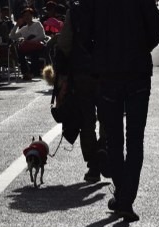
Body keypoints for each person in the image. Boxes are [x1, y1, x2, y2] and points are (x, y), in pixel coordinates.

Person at [84, 0, 159, 222]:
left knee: (114, 140)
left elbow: (84, 35)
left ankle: (122, 194)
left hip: (108, 74)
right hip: (137, 73)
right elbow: (156, 31)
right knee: (135, 139)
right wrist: (140, 48)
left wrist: (101, 55)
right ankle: (126, 198)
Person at [56, 0, 108, 184]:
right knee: (109, 115)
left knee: (87, 120)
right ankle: (106, 148)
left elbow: (64, 43)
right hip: (108, 71)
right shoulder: (111, 7)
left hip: (81, 72)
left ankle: (93, 166)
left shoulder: (75, 10)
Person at [9, 7, 47, 80]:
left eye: (29, 15)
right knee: (19, 52)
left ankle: (33, 72)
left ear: (32, 16)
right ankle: (25, 72)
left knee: (34, 53)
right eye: (25, 15)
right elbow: (12, 36)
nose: (27, 17)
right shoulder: (24, 28)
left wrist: (31, 41)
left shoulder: (37, 24)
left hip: (37, 46)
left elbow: (42, 36)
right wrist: (16, 25)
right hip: (28, 47)